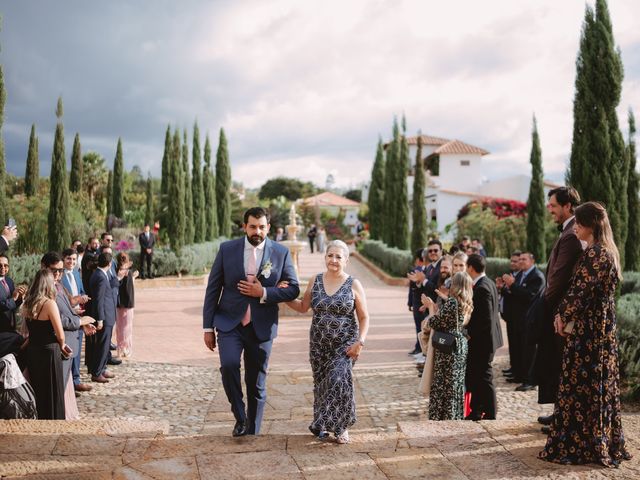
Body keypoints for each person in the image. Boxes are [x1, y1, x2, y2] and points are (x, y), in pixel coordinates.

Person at [539, 202, 631, 467]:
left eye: (578, 222)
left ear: (590, 225)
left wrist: (561, 315)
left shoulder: (596, 254)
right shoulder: (604, 252)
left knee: (583, 384)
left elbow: (580, 292)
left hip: (590, 333)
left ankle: (581, 444)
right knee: (594, 384)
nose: (575, 227)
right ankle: (593, 440)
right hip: (598, 329)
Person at [203, 207, 300, 437]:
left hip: (262, 325)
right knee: (228, 366)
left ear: (268, 227)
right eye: (253, 226)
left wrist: (264, 293)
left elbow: (293, 289)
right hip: (229, 323)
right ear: (245, 226)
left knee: (256, 382)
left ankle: (253, 430)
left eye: (262, 227)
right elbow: (213, 289)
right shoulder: (227, 250)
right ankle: (240, 417)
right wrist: (207, 327)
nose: (258, 231)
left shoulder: (281, 253)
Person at [283, 240, 369, 443]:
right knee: (322, 384)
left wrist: (360, 342)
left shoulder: (353, 284)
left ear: (346, 260)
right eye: (330, 255)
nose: (334, 260)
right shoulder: (315, 280)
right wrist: (282, 295)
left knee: (338, 379)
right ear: (325, 258)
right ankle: (322, 424)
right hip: (318, 345)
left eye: (339, 257)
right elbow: (304, 306)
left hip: (345, 344)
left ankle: (341, 427)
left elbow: (364, 317)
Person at [534, 186, 583, 430]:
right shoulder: (568, 231)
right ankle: (559, 413)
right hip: (558, 309)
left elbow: (560, 276)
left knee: (563, 364)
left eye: (553, 205)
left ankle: (563, 418)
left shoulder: (573, 234)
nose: (549, 209)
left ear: (568, 206)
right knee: (558, 363)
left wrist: (544, 306)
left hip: (560, 310)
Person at [421, 272, 472, 420]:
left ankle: (442, 418)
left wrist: (431, 307)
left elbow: (434, 322)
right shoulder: (466, 303)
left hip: (448, 349)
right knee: (455, 384)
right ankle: (455, 415)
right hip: (460, 346)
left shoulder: (452, 303)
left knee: (443, 384)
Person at [21, 270, 70, 419]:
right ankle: (54, 422)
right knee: (52, 392)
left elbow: (29, 332)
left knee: (38, 389)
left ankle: (40, 420)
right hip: (49, 352)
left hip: (33, 352)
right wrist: (63, 346)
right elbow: (60, 334)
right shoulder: (49, 304)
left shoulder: (28, 304)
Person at [465, 254, 503, 420]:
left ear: (471, 268)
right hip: (485, 339)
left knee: (485, 377)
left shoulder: (482, 288)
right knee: (477, 376)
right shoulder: (488, 282)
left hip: (483, 341)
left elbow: (486, 319)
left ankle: (491, 412)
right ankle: (477, 410)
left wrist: (471, 334)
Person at [502, 252, 545, 392]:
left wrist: (512, 284)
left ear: (532, 261)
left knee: (529, 351)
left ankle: (530, 380)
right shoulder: (520, 274)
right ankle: (519, 374)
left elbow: (529, 296)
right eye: (519, 259)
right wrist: (505, 288)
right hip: (517, 319)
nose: (520, 261)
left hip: (530, 320)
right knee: (518, 348)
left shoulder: (537, 277)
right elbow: (515, 295)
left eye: (523, 259)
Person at [59, 249, 94, 394]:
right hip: (67, 317)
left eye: (74, 259)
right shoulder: (59, 277)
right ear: (63, 259)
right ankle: (68, 386)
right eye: (68, 259)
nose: (71, 262)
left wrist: (83, 297)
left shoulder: (76, 273)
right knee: (69, 351)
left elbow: (81, 290)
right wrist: (74, 302)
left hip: (79, 315)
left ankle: (76, 380)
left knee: (78, 350)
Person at [86, 252, 120, 383]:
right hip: (104, 317)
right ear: (110, 264)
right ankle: (97, 372)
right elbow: (98, 300)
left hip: (108, 315)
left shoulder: (100, 274)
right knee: (102, 345)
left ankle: (101, 369)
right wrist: (100, 319)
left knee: (104, 345)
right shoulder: (100, 276)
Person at [496, 251, 522, 382]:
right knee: (512, 344)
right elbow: (509, 294)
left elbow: (519, 294)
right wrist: (502, 287)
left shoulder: (520, 276)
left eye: (515, 261)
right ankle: (513, 367)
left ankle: (518, 370)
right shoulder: (511, 274)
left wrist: (511, 284)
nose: (513, 263)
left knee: (518, 345)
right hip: (509, 316)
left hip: (518, 316)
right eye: (511, 261)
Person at [115, 252, 138, 358]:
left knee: (120, 326)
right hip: (127, 303)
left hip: (120, 303)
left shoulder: (117, 272)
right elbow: (129, 287)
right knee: (127, 327)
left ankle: (121, 348)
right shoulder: (124, 272)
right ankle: (125, 348)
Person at [0, 255, 26, 333]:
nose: (3, 267)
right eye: (0, 265)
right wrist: (14, 298)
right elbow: (1, 306)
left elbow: (14, 304)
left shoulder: (9, 281)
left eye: (6, 265)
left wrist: (20, 297)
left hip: (10, 324)